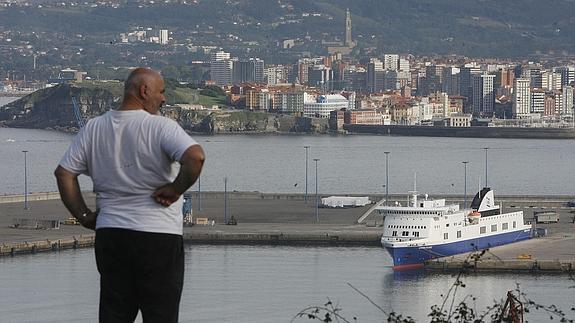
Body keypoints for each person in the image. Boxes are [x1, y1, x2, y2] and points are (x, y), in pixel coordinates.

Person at [54, 67, 205, 323]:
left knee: (115, 315)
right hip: (157, 237)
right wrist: (176, 189)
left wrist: (84, 216)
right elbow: (195, 157)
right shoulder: (161, 127)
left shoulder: (93, 128)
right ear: (144, 90)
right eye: (161, 92)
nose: (163, 98)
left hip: (111, 234)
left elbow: (64, 174)